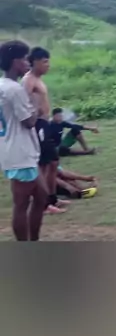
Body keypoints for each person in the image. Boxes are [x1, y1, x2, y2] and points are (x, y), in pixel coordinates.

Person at [0, 40, 47, 241]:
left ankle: (33, 241)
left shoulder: (3, 86)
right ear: (15, 61)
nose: (28, 63)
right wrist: (35, 104)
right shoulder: (14, 89)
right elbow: (28, 122)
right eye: (25, 59)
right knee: (21, 204)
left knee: (42, 196)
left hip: (17, 150)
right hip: (19, 153)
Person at [22, 47, 67, 214]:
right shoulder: (28, 80)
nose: (48, 65)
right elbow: (23, 103)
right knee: (42, 165)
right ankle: (42, 204)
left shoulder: (38, 79)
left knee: (53, 163)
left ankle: (52, 198)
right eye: (44, 62)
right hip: (37, 125)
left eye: (48, 61)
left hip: (45, 124)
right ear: (34, 62)